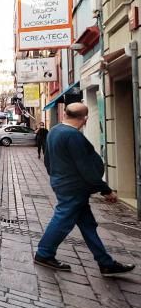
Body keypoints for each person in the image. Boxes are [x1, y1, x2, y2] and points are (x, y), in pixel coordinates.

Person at [34, 103, 135, 277]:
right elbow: (86, 167)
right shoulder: (73, 136)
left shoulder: (55, 131)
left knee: (88, 225)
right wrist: (105, 190)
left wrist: (56, 177)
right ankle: (44, 253)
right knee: (62, 219)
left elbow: (48, 160)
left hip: (65, 183)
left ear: (65, 114)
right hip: (74, 187)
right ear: (85, 119)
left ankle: (105, 262)